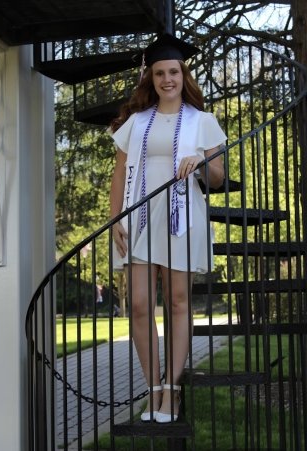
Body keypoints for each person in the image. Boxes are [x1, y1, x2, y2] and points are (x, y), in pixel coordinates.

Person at [109, 33, 227, 423]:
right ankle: (154, 387)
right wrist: (114, 221)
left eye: (173, 71)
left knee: (178, 303)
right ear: (151, 78)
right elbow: (121, 171)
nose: (167, 79)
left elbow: (217, 178)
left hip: (182, 219)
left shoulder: (202, 121)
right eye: (159, 72)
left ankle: (173, 391)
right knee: (140, 306)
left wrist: (199, 160)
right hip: (141, 218)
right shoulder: (137, 122)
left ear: (183, 74)